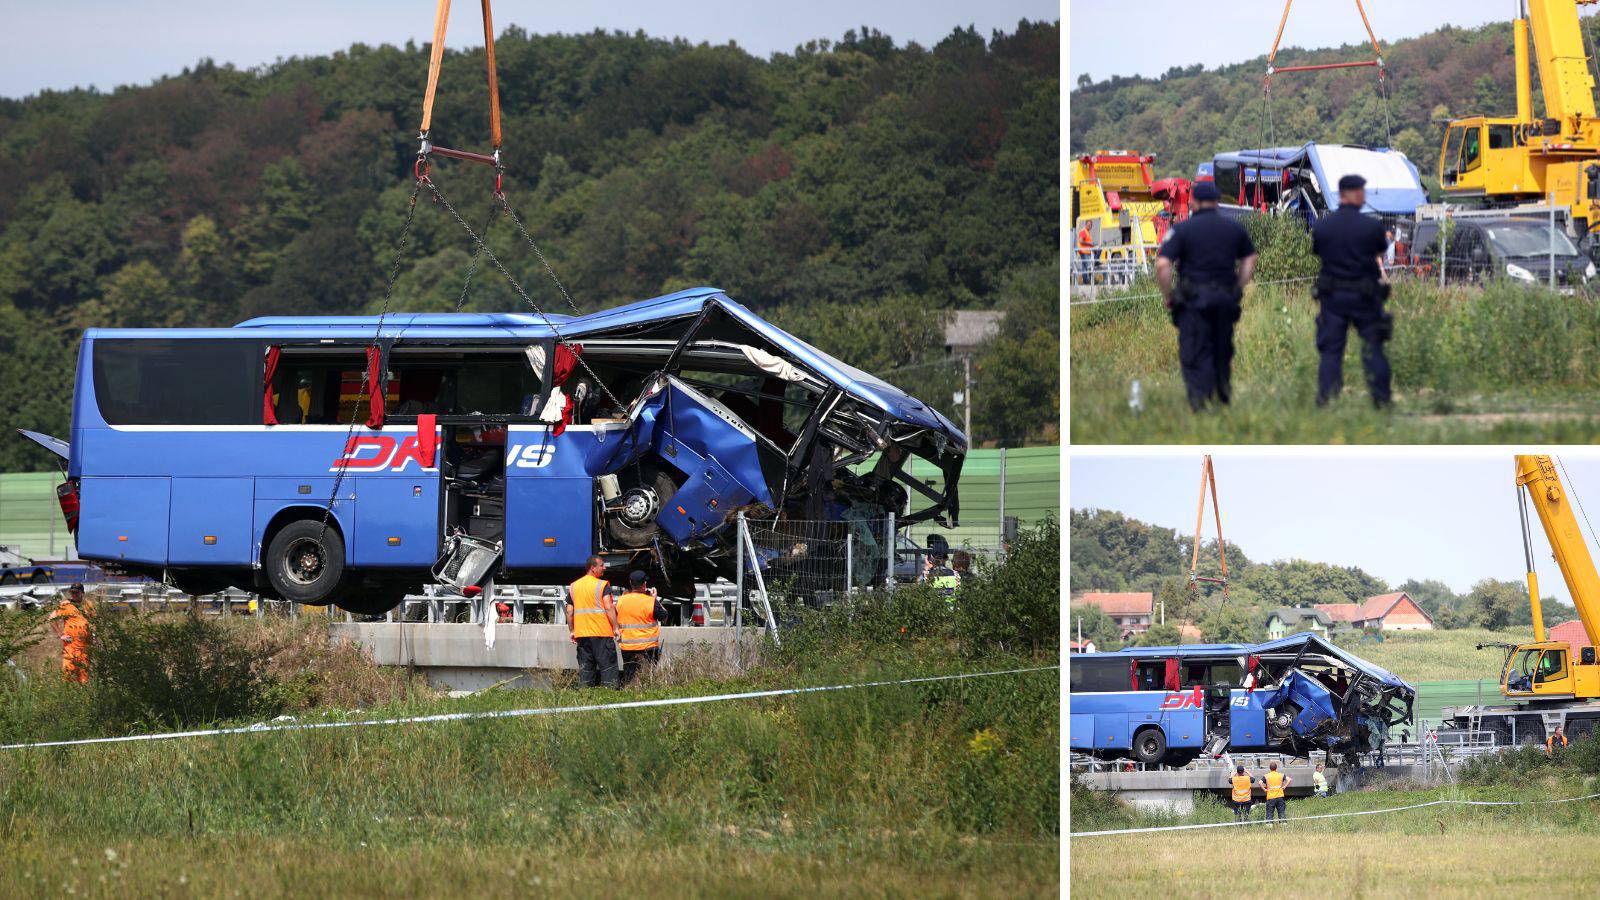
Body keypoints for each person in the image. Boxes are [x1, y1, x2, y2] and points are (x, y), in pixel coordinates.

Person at [1156, 181, 1259, 411]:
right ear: (1216, 201)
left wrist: (1168, 295)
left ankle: (1199, 406)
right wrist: (1238, 287)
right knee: (1221, 350)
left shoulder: (1182, 230)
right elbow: (1250, 259)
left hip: (1193, 303)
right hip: (1225, 300)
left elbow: (1163, 264)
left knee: (1195, 353)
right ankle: (1222, 400)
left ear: (1193, 201)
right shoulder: (1234, 228)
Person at [1310, 174, 1393, 408]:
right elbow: (1379, 250)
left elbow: (1318, 250)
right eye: (1362, 191)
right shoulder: (1372, 227)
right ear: (1355, 194)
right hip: (1365, 297)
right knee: (1372, 346)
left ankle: (1326, 400)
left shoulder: (1323, 227)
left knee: (1331, 351)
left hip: (1333, 298)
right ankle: (1381, 400)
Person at [566, 556, 620, 689]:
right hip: (601, 633)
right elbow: (608, 607)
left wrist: (572, 631)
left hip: (582, 634)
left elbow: (569, 612)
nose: (604, 568)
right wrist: (616, 627)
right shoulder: (602, 585)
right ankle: (610, 697)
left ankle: (585, 700)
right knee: (608, 669)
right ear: (593, 568)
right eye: (602, 565)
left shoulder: (574, 586)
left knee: (586, 670)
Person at [616, 570, 666, 687]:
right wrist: (655, 598)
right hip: (647, 646)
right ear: (644, 584)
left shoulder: (621, 600)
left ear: (630, 583)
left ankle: (629, 694)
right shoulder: (650, 601)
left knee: (629, 675)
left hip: (627, 646)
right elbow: (664, 616)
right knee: (648, 676)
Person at [46, 584, 91, 683]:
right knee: (67, 678)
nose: (73, 595)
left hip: (85, 649)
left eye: (76, 592)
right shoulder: (65, 605)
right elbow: (51, 618)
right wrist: (60, 635)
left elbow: (94, 622)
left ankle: (83, 697)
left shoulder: (88, 605)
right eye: (72, 592)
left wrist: (95, 637)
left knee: (84, 680)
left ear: (82, 593)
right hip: (71, 648)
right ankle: (66, 696)